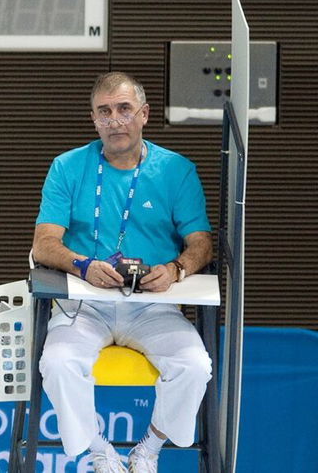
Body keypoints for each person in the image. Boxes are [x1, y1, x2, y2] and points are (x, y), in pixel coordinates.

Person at [32, 72, 214, 473]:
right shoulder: (67, 167)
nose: (114, 120)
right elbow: (44, 243)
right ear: (94, 119)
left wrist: (175, 269)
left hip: (153, 305)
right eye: (104, 111)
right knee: (58, 364)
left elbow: (201, 243)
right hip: (84, 302)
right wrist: (83, 265)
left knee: (196, 366)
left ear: (144, 114)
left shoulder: (176, 170)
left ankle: (148, 448)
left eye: (124, 109)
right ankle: (100, 452)